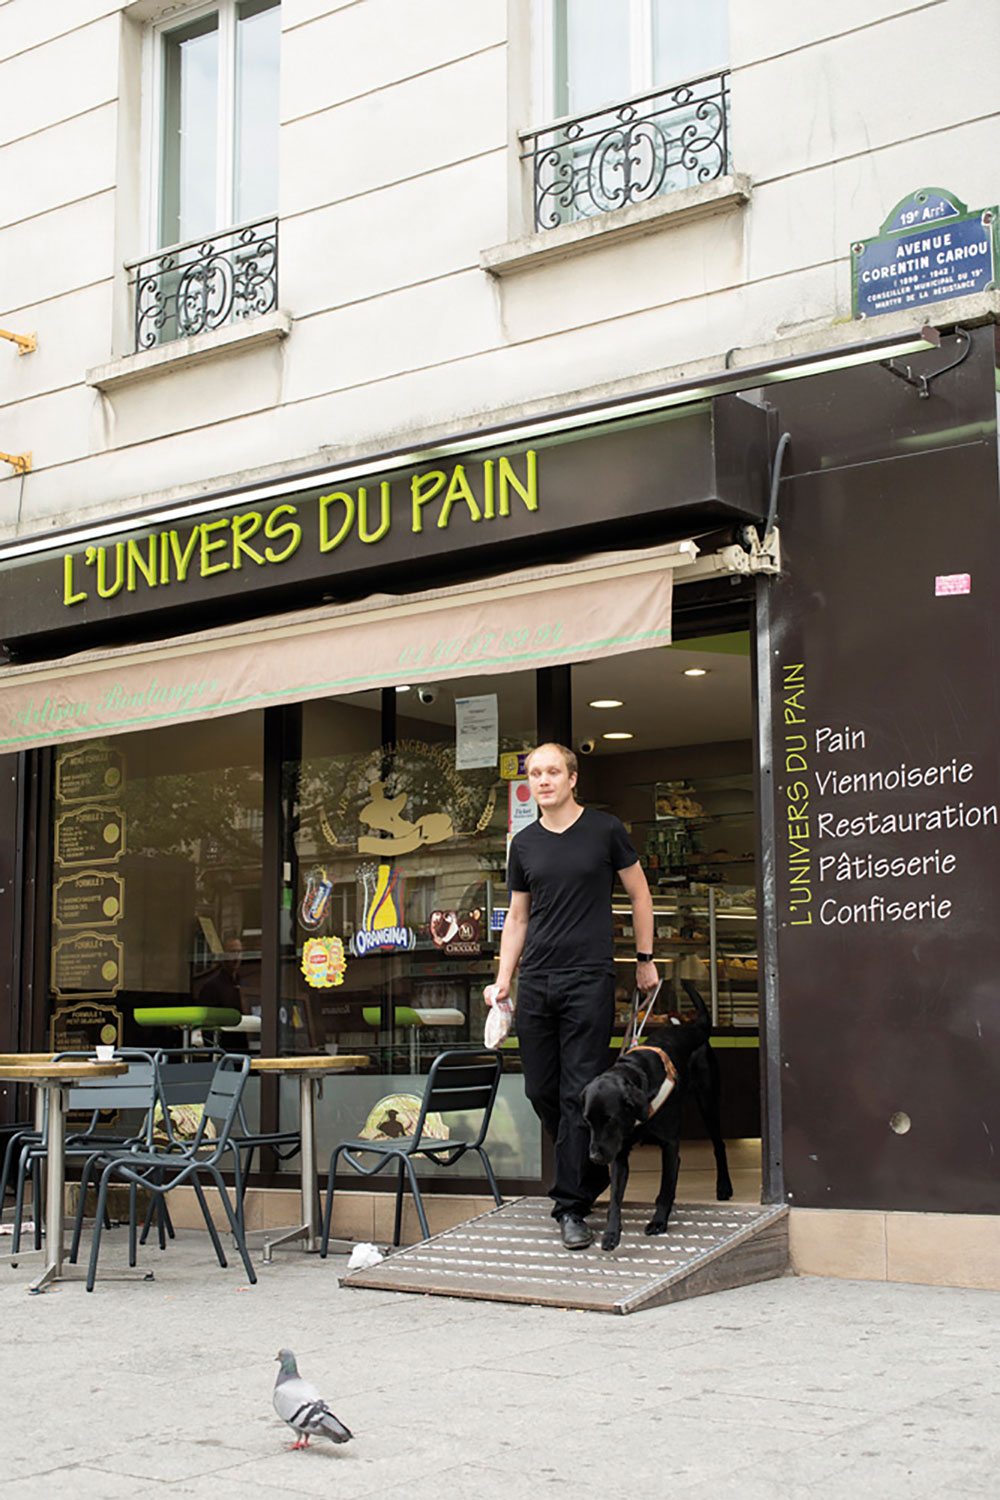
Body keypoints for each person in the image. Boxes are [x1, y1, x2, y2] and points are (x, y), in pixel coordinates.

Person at [487, 742, 658, 1249]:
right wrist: (504, 978)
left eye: (552, 772)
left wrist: (644, 960)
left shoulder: (605, 830)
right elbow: (518, 917)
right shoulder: (524, 843)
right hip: (537, 979)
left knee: (574, 1090)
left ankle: (571, 1206)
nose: (542, 780)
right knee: (540, 1089)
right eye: (535, 773)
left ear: (572, 778)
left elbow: (640, 893)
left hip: (589, 977)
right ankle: (589, 1172)